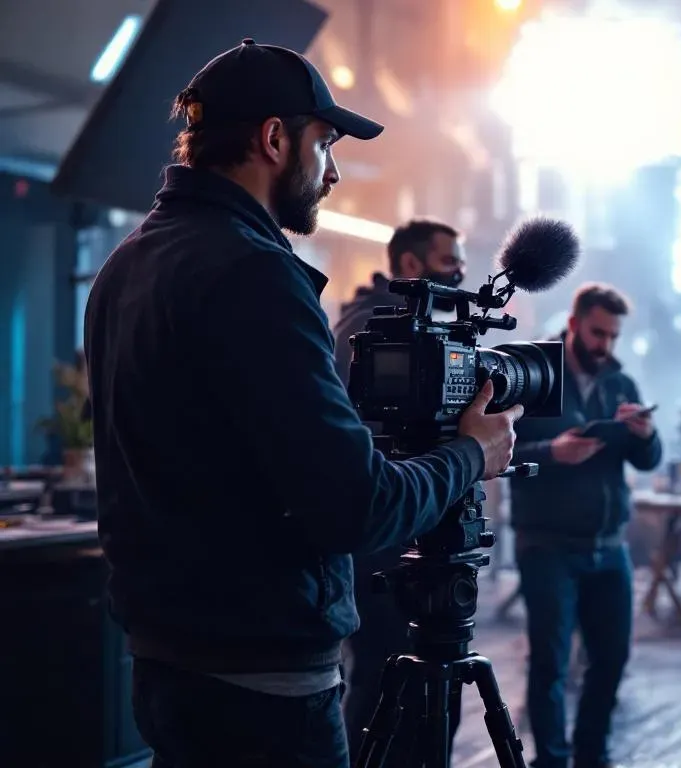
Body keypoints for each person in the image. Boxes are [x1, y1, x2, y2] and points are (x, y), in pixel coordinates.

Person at [82, 39, 522, 768]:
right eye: (325, 143)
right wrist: (470, 454)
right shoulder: (255, 274)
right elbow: (359, 507)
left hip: (166, 662)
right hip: (263, 688)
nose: (334, 170)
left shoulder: (126, 265)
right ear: (274, 138)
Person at [508, 283, 663, 768]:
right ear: (573, 324)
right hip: (547, 542)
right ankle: (551, 760)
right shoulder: (535, 374)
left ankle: (592, 755)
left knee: (612, 660)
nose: (606, 346)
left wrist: (647, 434)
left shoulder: (620, 381)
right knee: (551, 664)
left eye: (614, 336)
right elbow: (499, 454)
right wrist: (552, 453)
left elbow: (648, 459)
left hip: (608, 543)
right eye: (598, 333)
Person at [331, 217, 469, 746]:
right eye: (449, 258)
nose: (460, 269)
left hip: (425, 520)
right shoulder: (370, 329)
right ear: (411, 265)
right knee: (383, 677)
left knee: (439, 682)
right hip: (385, 530)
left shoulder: (435, 325)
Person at [331, 217, 467, 382]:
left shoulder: (417, 320)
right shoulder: (368, 324)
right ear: (410, 263)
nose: (459, 274)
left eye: (461, 264)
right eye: (449, 261)